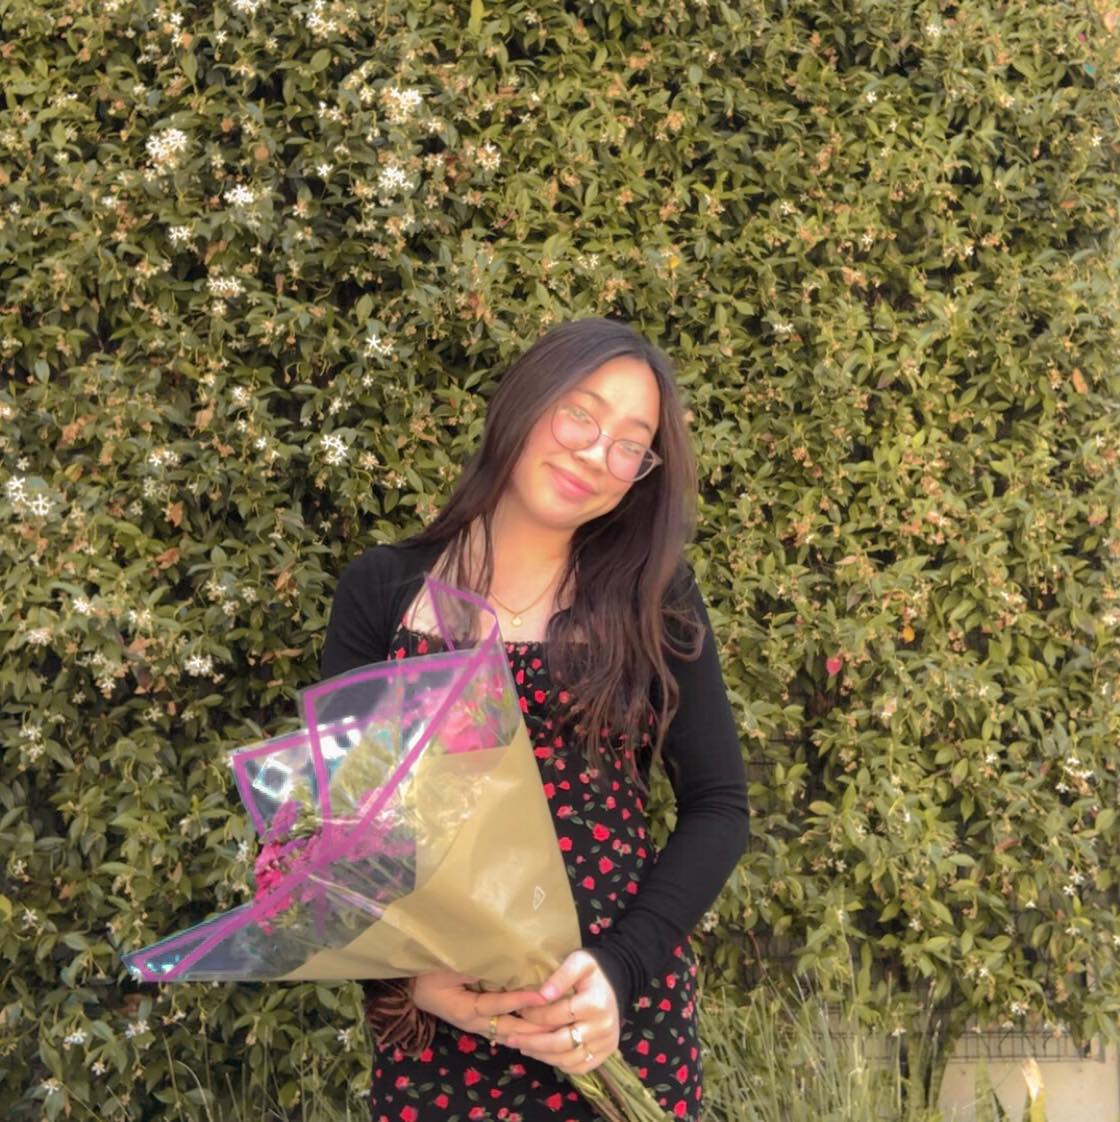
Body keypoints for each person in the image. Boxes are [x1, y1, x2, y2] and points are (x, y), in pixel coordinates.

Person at [320, 317, 749, 1122]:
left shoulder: (653, 600)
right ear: (527, 399)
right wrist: (407, 979)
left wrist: (618, 971)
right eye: (581, 415)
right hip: (441, 1036)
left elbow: (719, 807)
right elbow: (336, 829)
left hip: (612, 1022)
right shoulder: (384, 589)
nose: (596, 453)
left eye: (631, 445)